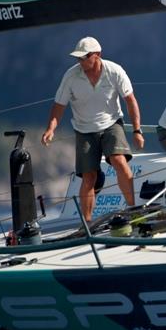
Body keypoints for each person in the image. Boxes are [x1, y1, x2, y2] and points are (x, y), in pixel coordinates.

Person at [41, 37, 143, 222]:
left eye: (84, 57)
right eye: (78, 58)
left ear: (97, 56)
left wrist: (137, 130)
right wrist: (50, 129)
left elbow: (130, 101)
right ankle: (87, 224)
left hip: (112, 123)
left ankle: (133, 209)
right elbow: (59, 105)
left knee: (119, 161)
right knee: (89, 176)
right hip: (84, 129)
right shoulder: (71, 76)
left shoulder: (115, 71)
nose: (80, 61)